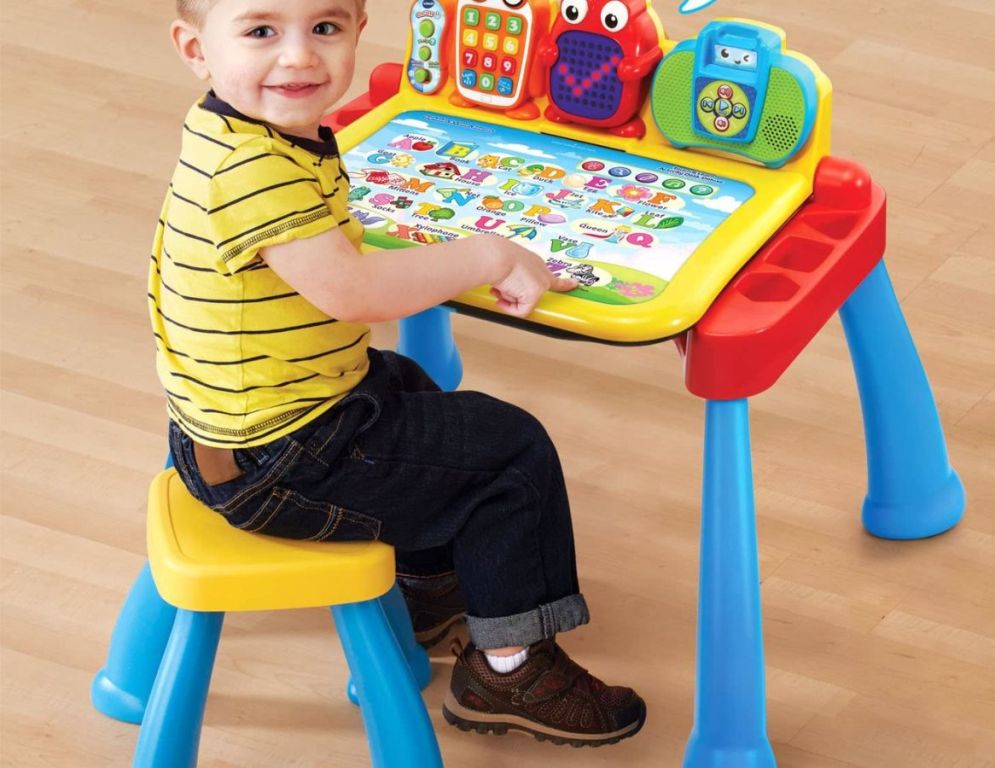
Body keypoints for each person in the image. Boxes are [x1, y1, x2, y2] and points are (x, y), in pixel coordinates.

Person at [152, 0, 645, 747]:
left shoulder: (237, 129)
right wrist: (484, 252)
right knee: (510, 449)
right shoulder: (255, 172)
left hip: (240, 426)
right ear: (195, 48)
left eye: (324, 28)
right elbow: (357, 294)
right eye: (262, 32)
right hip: (279, 456)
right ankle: (510, 668)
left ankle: (426, 586)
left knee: (410, 387)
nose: (298, 57)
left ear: (358, 27)